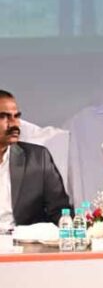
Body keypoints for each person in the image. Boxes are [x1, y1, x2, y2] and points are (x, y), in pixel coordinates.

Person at [0, 90, 70, 226]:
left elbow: (60, 210)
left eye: (16, 117)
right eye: (4, 117)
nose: (14, 124)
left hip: (23, 238)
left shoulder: (38, 158)